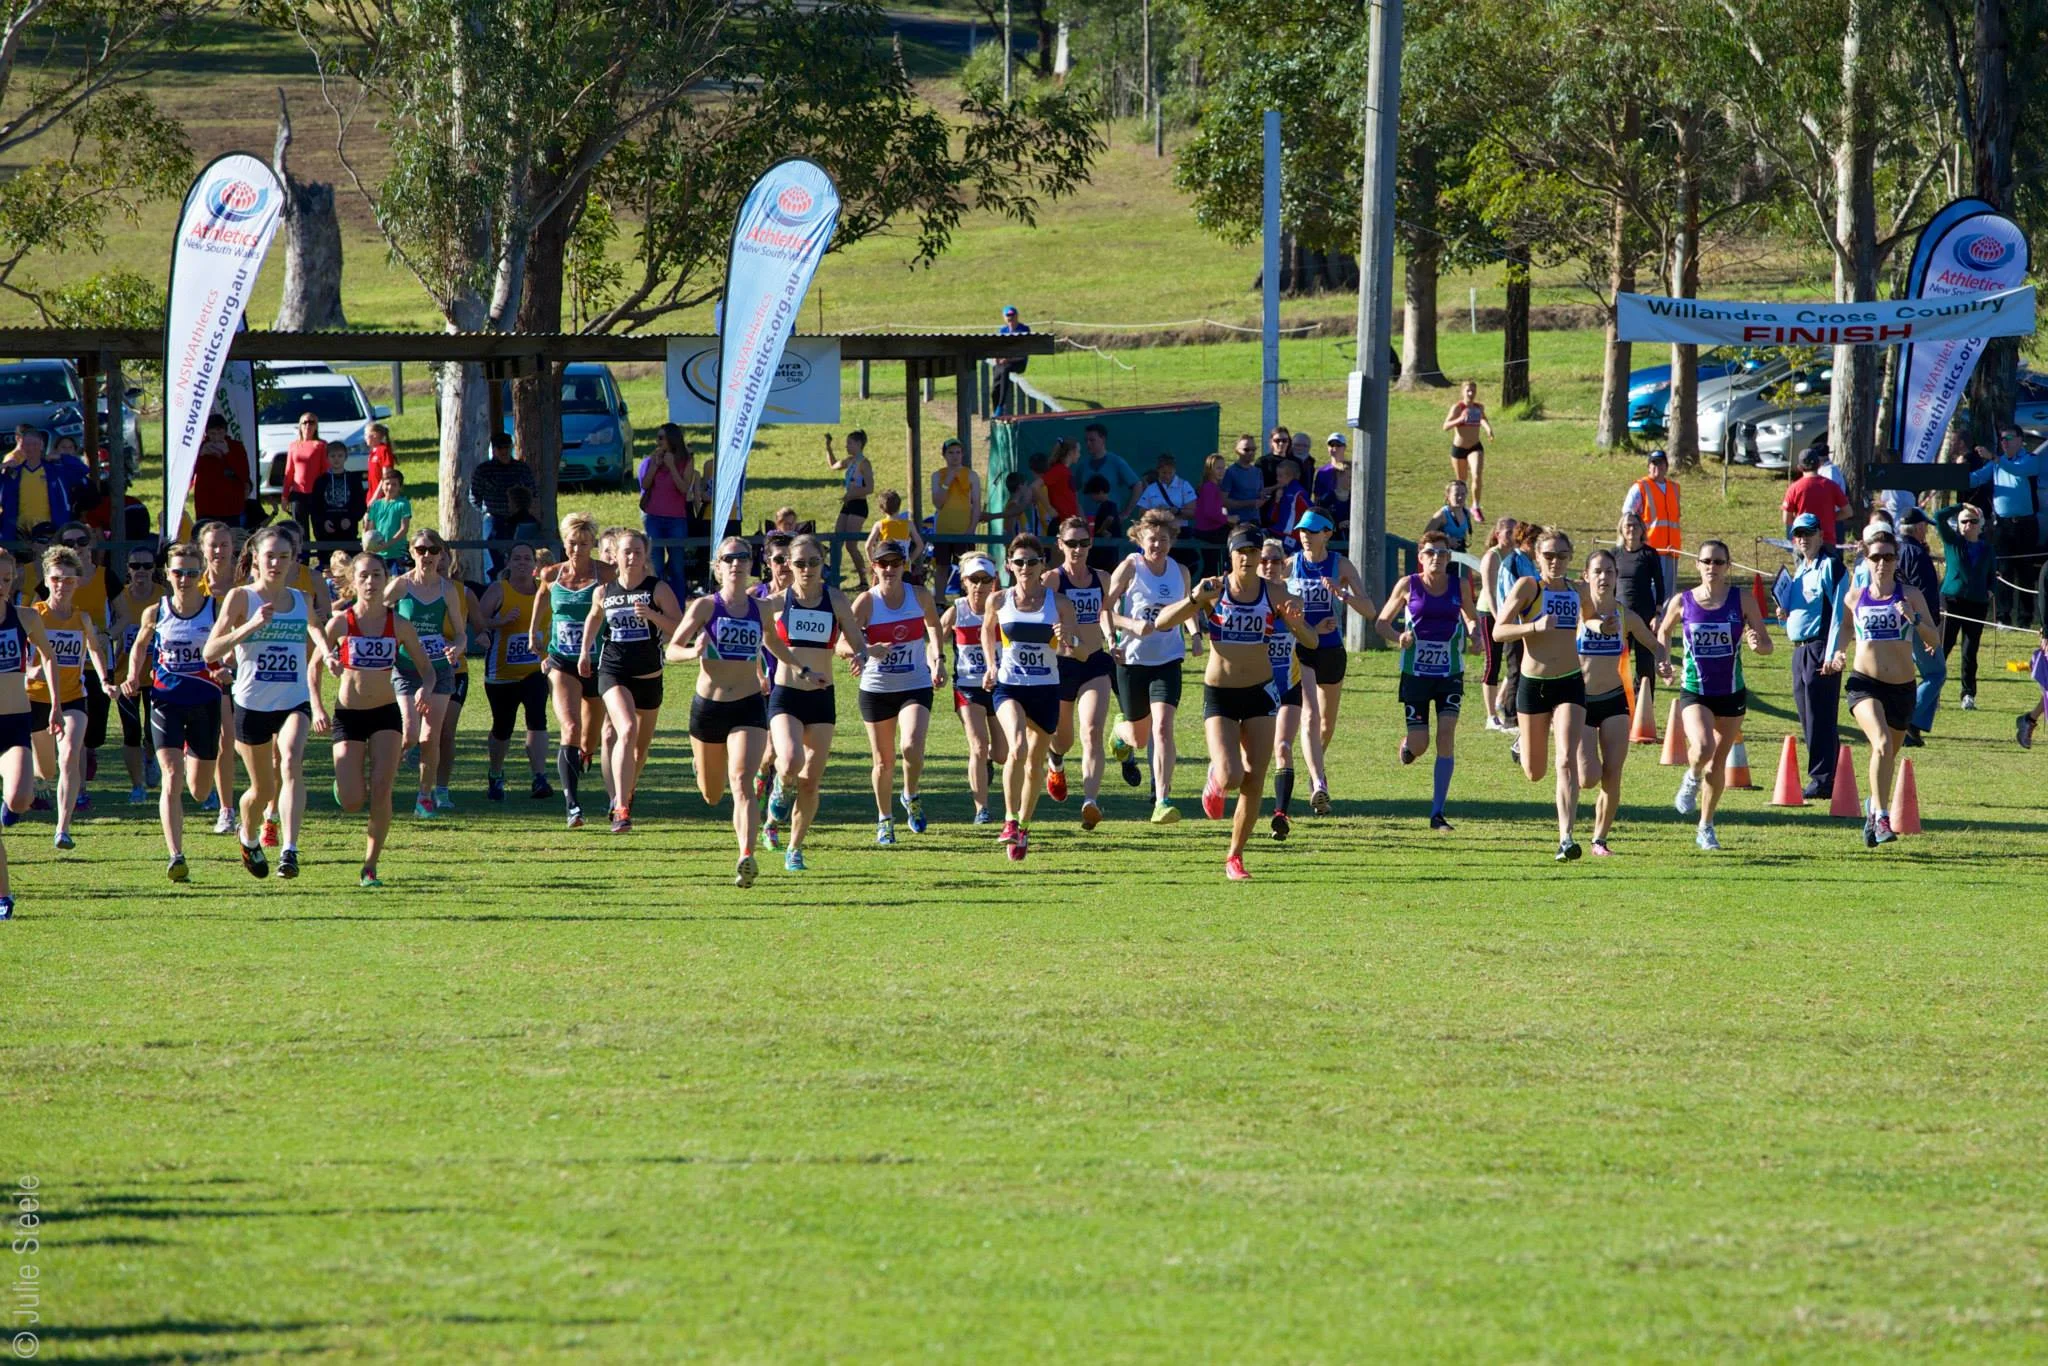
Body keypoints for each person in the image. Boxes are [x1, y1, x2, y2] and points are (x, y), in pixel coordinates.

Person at [1152, 526, 1315, 880]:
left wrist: (1296, 623)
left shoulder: (1276, 593)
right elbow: (1162, 623)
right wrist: (1194, 599)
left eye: (1253, 552)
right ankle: (1216, 778)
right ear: (1231, 555)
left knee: (1254, 780)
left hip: (1260, 693)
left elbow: (1312, 641)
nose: (1248, 558)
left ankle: (1234, 857)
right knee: (1231, 776)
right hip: (1221, 694)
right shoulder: (1214, 589)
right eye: (1241, 552)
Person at [666, 536, 805, 886]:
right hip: (709, 708)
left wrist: (800, 667)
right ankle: (701, 764)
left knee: (742, 781)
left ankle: (746, 855)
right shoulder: (705, 607)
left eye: (742, 557)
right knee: (712, 794)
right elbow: (671, 650)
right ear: (718, 567)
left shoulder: (762, 609)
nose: (736, 563)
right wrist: (694, 652)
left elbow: (772, 641)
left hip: (747, 705)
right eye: (729, 558)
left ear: (750, 565)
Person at [204, 525, 329, 879]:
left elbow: (314, 626)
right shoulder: (241, 598)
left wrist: (327, 651)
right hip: (251, 704)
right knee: (262, 790)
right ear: (255, 559)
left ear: (293, 560)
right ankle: (247, 835)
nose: (276, 563)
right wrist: (250, 627)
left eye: (283, 557)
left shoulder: (301, 598)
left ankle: (290, 850)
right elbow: (210, 651)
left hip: (293, 701)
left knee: (290, 761)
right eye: (270, 556)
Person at [1823, 528, 1940, 846]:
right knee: (1883, 744)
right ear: (1866, 559)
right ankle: (1884, 818)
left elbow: (1934, 638)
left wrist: (1915, 619)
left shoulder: (1910, 595)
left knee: (1887, 754)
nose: (1882, 563)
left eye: (1888, 557)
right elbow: (1845, 627)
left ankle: (1873, 809)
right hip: (1865, 685)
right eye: (1876, 557)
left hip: (1902, 689)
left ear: (1896, 560)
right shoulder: (1854, 597)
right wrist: (1839, 652)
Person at [1654, 539, 1773, 851]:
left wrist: (1757, 644)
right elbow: (1663, 631)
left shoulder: (1742, 599)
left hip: (1731, 692)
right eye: (1706, 561)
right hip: (1696, 690)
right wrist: (1663, 661)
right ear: (1697, 565)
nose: (1712, 567)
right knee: (1704, 746)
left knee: (1717, 764)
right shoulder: (1683, 601)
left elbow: (1766, 645)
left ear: (1728, 566)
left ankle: (1705, 827)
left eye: (1719, 562)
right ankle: (1691, 778)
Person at [322, 554, 432, 887]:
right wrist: (316, 705)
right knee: (353, 801)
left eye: (377, 575)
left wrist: (425, 688)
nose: (370, 582)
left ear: (386, 580)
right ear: (353, 581)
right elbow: (313, 667)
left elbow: (427, 670)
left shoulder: (399, 625)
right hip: (348, 715)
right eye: (364, 576)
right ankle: (346, 785)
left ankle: (370, 866)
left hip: (385, 714)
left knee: (383, 789)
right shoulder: (341, 623)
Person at [764, 533, 873, 865]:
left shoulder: (835, 599)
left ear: (823, 563)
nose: (807, 569)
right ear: (788, 565)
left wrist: (862, 655)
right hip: (786, 695)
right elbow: (765, 637)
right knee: (790, 760)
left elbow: (855, 639)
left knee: (810, 782)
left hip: (822, 698)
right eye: (800, 563)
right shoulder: (777, 601)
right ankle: (780, 789)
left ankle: (794, 848)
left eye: (814, 562)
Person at [120, 542, 225, 882]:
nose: (184, 579)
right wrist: (133, 676)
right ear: (167, 573)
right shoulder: (156, 612)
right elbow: (139, 647)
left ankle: (197, 765)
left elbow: (231, 646)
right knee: (171, 774)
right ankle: (175, 855)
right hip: (166, 701)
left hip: (205, 702)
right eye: (178, 572)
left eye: (192, 573)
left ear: (201, 574)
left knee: (199, 789)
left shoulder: (215, 609)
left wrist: (227, 668)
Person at [1494, 529, 1592, 861]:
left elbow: (1592, 619)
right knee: (1535, 772)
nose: (1555, 561)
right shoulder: (1528, 587)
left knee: (1566, 758)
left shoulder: (1579, 590)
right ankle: (1522, 741)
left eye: (1562, 555)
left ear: (1570, 557)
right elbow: (1499, 630)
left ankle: (1566, 837)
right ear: (1537, 557)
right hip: (1533, 685)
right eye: (1549, 555)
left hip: (1570, 682)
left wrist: (1602, 626)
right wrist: (1534, 626)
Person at [578, 530, 683, 833]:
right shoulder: (604, 591)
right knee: (624, 729)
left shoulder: (657, 589)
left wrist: (652, 615)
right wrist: (585, 651)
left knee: (640, 749)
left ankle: (626, 789)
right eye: (626, 551)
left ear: (645, 555)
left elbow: (679, 627)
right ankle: (620, 805)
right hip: (613, 671)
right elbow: (594, 617)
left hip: (649, 675)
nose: (632, 557)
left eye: (637, 551)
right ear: (615, 555)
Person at [1375, 530, 1479, 830]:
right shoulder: (1408, 585)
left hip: (1449, 672)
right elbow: (1381, 623)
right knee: (1420, 744)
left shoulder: (1459, 585)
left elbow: (1471, 617)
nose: (1437, 558)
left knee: (1446, 735)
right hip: (1416, 674)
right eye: (1431, 553)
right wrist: (1399, 637)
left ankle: (1437, 813)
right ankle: (1409, 746)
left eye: (1443, 553)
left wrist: (1474, 634)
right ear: (1420, 557)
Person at [983, 533, 1075, 859]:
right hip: (1009, 686)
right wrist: (991, 664)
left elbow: (1073, 647)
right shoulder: (998, 600)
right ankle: (1009, 821)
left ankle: (1023, 826)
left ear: (1042, 565)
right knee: (1017, 747)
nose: (1025, 567)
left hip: (1045, 688)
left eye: (1032, 561)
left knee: (1035, 765)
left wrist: (1067, 638)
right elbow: (987, 630)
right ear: (1009, 565)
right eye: (1019, 562)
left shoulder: (1059, 604)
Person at [1573, 548, 1667, 855]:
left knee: (1613, 774)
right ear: (1586, 576)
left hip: (1615, 701)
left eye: (1610, 572)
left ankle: (1599, 840)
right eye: (1597, 571)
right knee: (1589, 778)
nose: (1604, 577)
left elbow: (1653, 644)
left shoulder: (1625, 615)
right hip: (1581, 703)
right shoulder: (1576, 612)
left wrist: (1663, 661)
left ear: (1616, 577)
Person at [851, 540, 944, 843]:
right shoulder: (867, 602)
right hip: (877, 689)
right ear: (874, 567)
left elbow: (934, 625)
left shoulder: (919, 596)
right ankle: (885, 819)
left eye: (895, 563)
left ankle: (910, 795)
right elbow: (840, 642)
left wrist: (939, 659)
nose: (889, 569)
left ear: (904, 565)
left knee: (912, 746)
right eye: (883, 564)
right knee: (883, 761)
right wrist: (866, 650)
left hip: (915, 683)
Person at [1105, 510, 1191, 823]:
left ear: (1171, 541)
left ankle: (1162, 799)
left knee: (1163, 726)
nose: (1158, 545)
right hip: (1132, 660)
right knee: (1139, 738)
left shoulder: (1180, 571)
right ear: (1141, 540)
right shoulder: (1130, 567)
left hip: (1168, 659)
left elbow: (1188, 607)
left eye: (1164, 539)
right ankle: (1120, 733)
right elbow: (1105, 609)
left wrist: (1195, 634)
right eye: (1152, 539)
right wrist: (1126, 628)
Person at [26, 546, 114, 851]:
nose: (62, 585)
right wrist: (30, 671)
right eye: (56, 579)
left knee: (69, 757)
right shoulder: (34, 614)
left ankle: (62, 829)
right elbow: (17, 651)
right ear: (46, 581)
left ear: (77, 582)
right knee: (46, 770)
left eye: (68, 580)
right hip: (36, 698)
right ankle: (38, 780)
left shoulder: (82, 618)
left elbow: (94, 650)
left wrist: (105, 681)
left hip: (73, 698)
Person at [1287, 509, 1370, 815]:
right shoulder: (1291, 565)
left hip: (1332, 650)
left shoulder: (1341, 565)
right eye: (1302, 531)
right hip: (1302, 649)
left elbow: (1370, 609)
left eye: (1311, 531)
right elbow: (1274, 601)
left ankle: (1314, 771)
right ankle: (1319, 782)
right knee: (1309, 714)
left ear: (1327, 534)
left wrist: (1343, 594)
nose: (1305, 537)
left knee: (1326, 723)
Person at [535, 512, 612, 828]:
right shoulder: (552, 574)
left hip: (598, 663)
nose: (577, 550)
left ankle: (584, 755)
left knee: (589, 741)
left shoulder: (606, 573)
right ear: (563, 543)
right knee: (570, 727)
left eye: (583, 544)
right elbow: (542, 595)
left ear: (592, 544)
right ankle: (573, 807)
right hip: (562, 661)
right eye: (571, 543)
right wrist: (534, 633)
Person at [386, 529, 465, 819]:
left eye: (433, 550)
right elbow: (374, 614)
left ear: (442, 554)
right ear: (412, 552)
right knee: (409, 735)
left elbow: (461, 633)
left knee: (430, 737)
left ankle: (424, 797)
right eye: (421, 550)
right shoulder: (400, 585)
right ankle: (379, 783)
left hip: (439, 669)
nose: (427, 556)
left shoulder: (447, 590)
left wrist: (456, 648)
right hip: (407, 668)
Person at [0, 549, 62, 915]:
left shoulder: (25, 618)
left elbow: (49, 657)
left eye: (6, 579)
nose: (1, 586)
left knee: (21, 799)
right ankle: (3, 896)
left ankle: (9, 806)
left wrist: (55, 704)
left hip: (14, 724)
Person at [1042, 516, 1114, 828]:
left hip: (1094, 661)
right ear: (1060, 545)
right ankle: (1056, 761)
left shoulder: (1102, 578)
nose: (1078, 549)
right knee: (1064, 740)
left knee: (1093, 730)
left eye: (1083, 543)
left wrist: (1113, 639)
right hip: (1062, 665)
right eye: (1071, 543)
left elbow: (1107, 612)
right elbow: (1039, 620)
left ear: (1090, 544)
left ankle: (1090, 801)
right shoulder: (1052, 580)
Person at [477, 543, 553, 802]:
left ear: (535, 564)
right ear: (509, 562)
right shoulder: (499, 590)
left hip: (536, 669)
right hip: (501, 674)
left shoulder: (546, 590)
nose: (522, 562)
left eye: (527, 558)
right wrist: (499, 622)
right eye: (517, 558)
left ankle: (539, 777)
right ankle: (495, 773)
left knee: (537, 719)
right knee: (503, 727)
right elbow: (478, 620)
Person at [1777, 514, 1844, 799]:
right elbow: (1796, 614)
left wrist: (1833, 652)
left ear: (1820, 535)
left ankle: (1823, 779)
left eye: (1808, 533)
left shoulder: (1830, 566)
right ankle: (1829, 775)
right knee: (1808, 717)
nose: (1803, 538)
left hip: (1819, 648)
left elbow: (1840, 612)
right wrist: (1783, 615)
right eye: (1798, 534)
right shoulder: (1800, 570)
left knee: (1820, 716)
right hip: (1799, 649)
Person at [942, 552, 1007, 825]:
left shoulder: (1004, 608)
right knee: (978, 746)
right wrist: (936, 663)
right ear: (964, 581)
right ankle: (982, 809)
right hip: (967, 687)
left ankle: (989, 760)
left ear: (994, 581)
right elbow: (934, 637)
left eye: (985, 580)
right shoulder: (957, 611)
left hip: (1000, 686)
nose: (979, 586)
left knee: (1003, 754)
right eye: (974, 579)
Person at [1968, 427, 2041, 626]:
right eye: (2002, 439)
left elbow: (2018, 470)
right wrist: (1955, 473)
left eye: (2009, 438)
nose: (2005, 442)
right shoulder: (1996, 463)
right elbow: (1976, 478)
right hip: (2003, 526)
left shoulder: (2030, 460)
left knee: (2025, 572)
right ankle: (2003, 618)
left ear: (2020, 440)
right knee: (2003, 571)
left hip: (2025, 525)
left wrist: (1994, 458)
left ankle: (2025, 619)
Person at [197, 521, 242, 837]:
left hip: (247, 669)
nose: (219, 551)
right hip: (207, 674)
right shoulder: (192, 584)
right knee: (225, 739)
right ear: (202, 549)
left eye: (224, 544)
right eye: (213, 545)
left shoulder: (246, 586)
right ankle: (226, 809)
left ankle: (265, 806)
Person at [1258, 539, 1304, 838]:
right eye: (1263, 560)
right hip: (1254, 687)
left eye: (1275, 560)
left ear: (1284, 564)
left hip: (1288, 685)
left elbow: (1305, 632)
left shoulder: (1294, 597)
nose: (1269, 566)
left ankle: (1281, 814)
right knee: (1250, 758)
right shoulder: (1247, 599)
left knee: (1283, 747)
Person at [108, 546, 160, 804]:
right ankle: (137, 786)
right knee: (131, 732)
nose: (141, 571)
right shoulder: (121, 597)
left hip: (156, 675)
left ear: (154, 569)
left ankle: (150, 758)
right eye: (135, 566)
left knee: (152, 731)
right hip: (125, 675)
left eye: (147, 566)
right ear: (128, 569)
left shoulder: (164, 596)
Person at [1933, 501, 1995, 710]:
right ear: (1959, 525)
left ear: (1980, 525)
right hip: (1953, 601)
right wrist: (1961, 505)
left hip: (1977, 604)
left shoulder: (1987, 548)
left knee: (1970, 650)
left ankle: (1968, 694)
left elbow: (1992, 574)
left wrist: (1991, 590)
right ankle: (1934, 692)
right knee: (1945, 645)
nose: (1969, 525)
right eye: (1964, 521)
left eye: (1973, 521)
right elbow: (1939, 516)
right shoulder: (1953, 542)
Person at [1611, 513, 1667, 727]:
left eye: (1635, 525)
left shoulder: (1649, 554)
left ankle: (1644, 711)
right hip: (1620, 617)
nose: (1631, 529)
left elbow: (1660, 585)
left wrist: (1658, 614)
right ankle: (1618, 709)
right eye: (1627, 525)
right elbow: (1609, 585)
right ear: (1621, 529)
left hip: (1644, 617)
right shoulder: (1614, 554)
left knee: (1645, 667)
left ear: (1642, 529)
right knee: (1618, 665)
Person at [1896, 507, 1946, 746]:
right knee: (1937, 673)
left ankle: (1914, 729)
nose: (1926, 530)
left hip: (1901, 622)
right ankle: (1906, 721)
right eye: (1924, 526)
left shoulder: (1896, 551)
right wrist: (1930, 627)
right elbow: (1925, 594)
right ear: (1917, 528)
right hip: (1918, 622)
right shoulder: (1918, 554)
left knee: (1928, 674)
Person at [0, 429, 89, 539]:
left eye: (35, 444)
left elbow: (82, 470)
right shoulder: (13, 473)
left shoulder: (56, 471)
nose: (31, 448)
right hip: (18, 533)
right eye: (27, 445)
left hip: (51, 531)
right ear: (21, 447)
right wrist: (2, 466)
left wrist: (62, 457)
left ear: (42, 445)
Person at [640, 423, 695, 598]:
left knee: (677, 566)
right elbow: (645, 485)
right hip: (653, 518)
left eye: (661, 438)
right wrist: (654, 466)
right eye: (657, 438)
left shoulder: (686, 460)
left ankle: (678, 605)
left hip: (676, 519)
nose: (658, 441)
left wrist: (671, 466)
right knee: (656, 565)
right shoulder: (654, 458)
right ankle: (657, 603)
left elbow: (684, 488)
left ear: (672, 438)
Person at [472, 431, 538, 578]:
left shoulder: (521, 469)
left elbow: (532, 490)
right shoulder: (484, 470)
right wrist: (486, 510)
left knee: (521, 556)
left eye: (506, 447)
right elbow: (474, 496)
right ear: (494, 449)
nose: (504, 451)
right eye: (500, 448)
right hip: (494, 519)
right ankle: (494, 586)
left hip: (519, 520)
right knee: (493, 561)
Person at [1475, 516, 1519, 732]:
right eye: (1508, 532)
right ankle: (1491, 715)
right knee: (1493, 662)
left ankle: (1502, 700)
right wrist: (1499, 618)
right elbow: (1490, 591)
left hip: (1509, 613)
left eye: (1515, 531)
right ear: (1497, 534)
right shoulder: (1492, 556)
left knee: (1515, 661)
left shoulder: (1515, 555)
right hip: (1490, 612)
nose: (1512, 536)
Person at [1622, 449, 1682, 597]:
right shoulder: (1640, 487)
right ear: (1648, 467)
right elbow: (1627, 515)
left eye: (1661, 463)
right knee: (1651, 592)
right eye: (1654, 463)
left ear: (1666, 466)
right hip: (1650, 549)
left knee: (1669, 592)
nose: (1657, 467)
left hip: (1672, 551)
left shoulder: (1674, 488)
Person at [825, 429, 873, 588]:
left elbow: (870, 488)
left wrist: (851, 494)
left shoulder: (864, 463)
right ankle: (834, 578)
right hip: (848, 503)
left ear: (859, 444)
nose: (846, 446)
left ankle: (864, 580)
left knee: (851, 546)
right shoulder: (850, 461)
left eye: (849, 443)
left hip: (859, 505)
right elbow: (833, 465)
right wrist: (828, 447)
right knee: (837, 541)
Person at [1783, 445, 1854, 545]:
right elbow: (1848, 512)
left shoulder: (1793, 488)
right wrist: (1828, 519)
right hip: (1826, 541)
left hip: (1803, 542)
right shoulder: (1832, 486)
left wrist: (1803, 523)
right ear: (1819, 464)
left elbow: (1786, 519)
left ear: (1799, 467)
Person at [930, 438, 981, 577]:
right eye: (951, 453)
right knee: (941, 568)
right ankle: (940, 592)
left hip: (964, 530)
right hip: (943, 530)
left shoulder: (971, 475)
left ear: (962, 454)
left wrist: (971, 530)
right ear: (944, 455)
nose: (955, 456)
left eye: (958, 452)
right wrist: (947, 482)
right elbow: (938, 503)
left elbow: (976, 505)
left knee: (967, 569)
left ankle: (965, 592)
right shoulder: (937, 476)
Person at [191, 415, 253, 529]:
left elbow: (244, 474)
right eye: (212, 434)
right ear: (207, 433)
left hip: (230, 505)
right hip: (206, 505)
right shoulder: (200, 447)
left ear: (225, 432)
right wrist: (201, 455)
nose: (216, 437)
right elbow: (188, 475)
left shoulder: (236, 447)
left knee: (231, 535)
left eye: (220, 433)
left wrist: (227, 453)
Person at [1442, 382, 1493, 513]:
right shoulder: (1457, 408)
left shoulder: (1479, 407)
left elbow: (1482, 419)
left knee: (1477, 474)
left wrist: (1488, 429)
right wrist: (1459, 419)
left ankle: (1476, 506)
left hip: (1475, 447)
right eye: (1468, 391)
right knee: (1462, 481)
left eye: (1473, 391)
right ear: (1463, 392)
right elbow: (1445, 426)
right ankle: (1461, 507)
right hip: (1459, 449)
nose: (1471, 394)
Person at [306, 441, 367, 545]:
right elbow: (315, 507)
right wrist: (323, 522)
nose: (336, 459)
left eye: (340, 456)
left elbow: (360, 504)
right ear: (327, 458)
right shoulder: (321, 481)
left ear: (345, 457)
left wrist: (351, 519)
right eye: (333, 456)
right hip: (326, 531)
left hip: (348, 530)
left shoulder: (353, 479)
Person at [275, 413, 329, 527]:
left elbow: (325, 471)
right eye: (305, 422)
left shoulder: (321, 445)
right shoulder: (293, 446)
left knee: (319, 527)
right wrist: (284, 496)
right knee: (300, 529)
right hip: (298, 494)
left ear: (316, 426)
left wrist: (325, 493)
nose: (308, 425)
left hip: (316, 494)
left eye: (312, 422)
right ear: (300, 426)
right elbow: (289, 472)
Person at [1077, 423, 1139, 521]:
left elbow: (1137, 485)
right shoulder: (1083, 465)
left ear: (1103, 439)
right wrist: (1080, 513)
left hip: (1110, 519)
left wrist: (1125, 513)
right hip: (1088, 520)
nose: (1088, 444)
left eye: (1092, 440)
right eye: (1086, 440)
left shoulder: (1116, 462)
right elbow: (1073, 491)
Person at [361, 466, 412, 568]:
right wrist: (368, 542)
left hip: (398, 553)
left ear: (400, 487)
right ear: (382, 485)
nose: (390, 487)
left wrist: (388, 544)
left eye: (394, 484)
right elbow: (370, 528)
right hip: (378, 553)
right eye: (387, 484)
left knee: (397, 577)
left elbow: (404, 529)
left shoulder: (403, 504)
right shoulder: (376, 505)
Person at [865, 489, 928, 569]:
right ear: (899, 506)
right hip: (902, 567)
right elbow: (920, 545)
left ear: (881, 509)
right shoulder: (909, 524)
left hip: (886, 567)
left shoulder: (879, 525)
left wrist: (874, 564)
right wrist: (909, 561)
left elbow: (868, 546)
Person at [1133, 453, 1196, 531]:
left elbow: (1193, 513)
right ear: (1158, 471)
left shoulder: (1185, 485)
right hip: (1156, 532)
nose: (1167, 476)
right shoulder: (1151, 488)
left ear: (1175, 470)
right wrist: (1156, 512)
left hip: (1179, 531)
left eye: (1170, 473)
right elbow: (1141, 514)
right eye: (1164, 472)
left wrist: (1177, 511)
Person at [1191, 455, 1228, 574]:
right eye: (1218, 468)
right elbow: (1210, 512)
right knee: (1211, 566)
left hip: (1208, 530)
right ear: (1209, 470)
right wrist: (1228, 519)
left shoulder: (1211, 486)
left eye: (1223, 468)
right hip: (1208, 532)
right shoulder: (1209, 487)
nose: (1222, 471)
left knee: (1211, 565)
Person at [991, 305, 1031, 414]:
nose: (1010, 318)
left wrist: (1009, 359)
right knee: (996, 379)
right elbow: (998, 347)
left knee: (1005, 369)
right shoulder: (1003, 330)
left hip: (1018, 362)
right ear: (1004, 318)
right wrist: (997, 358)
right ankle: (996, 411)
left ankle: (1001, 405)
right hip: (1004, 362)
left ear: (1017, 316)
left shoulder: (1024, 329)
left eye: (1012, 315)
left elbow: (1024, 352)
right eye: (1008, 316)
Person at [1220, 434, 1266, 528]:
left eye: (1253, 449)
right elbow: (1223, 501)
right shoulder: (1230, 472)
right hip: (1237, 524)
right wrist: (1249, 503)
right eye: (1246, 450)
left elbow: (1260, 493)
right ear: (1237, 451)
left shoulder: (1257, 472)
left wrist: (1263, 497)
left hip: (1255, 522)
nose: (1251, 452)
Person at [1265, 460, 1310, 546]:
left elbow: (1310, 511)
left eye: (1280, 476)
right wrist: (1277, 501)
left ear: (1291, 476)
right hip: (1279, 531)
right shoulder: (1283, 491)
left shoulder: (1297, 493)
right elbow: (1272, 517)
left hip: (1291, 536)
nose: (1277, 479)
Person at [1423, 480, 1476, 554]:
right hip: (1442, 554)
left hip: (1460, 552)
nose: (1460, 497)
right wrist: (1447, 540)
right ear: (1448, 496)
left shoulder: (1466, 513)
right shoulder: (1442, 515)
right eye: (1456, 494)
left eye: (1463, 494)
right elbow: (1426, 536)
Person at [1312, 433, 1352, 527]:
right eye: (1331, 445)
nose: (1334, 448)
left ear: (1344, 447)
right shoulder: (1322, 471)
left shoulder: (1351, 469)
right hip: (1328, 514)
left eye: (1338, 445)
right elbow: (1317, 497)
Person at [1043, 438, 1079, 523]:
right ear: (1070, 452)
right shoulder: (1058, 470)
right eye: (1078, 451)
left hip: (1069, 522)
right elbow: (1035, 486)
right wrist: (1049, 508)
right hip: (1060, 523)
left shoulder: (1066, 471)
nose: (1079, 455)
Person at [364, 422, 396, 493]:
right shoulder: (373, 451)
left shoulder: (384, 450)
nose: (364, 437)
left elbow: (386, 477)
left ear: (375, 435)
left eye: (366, 434)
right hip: (372, 493)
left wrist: (376, 496)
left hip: (381, 495)